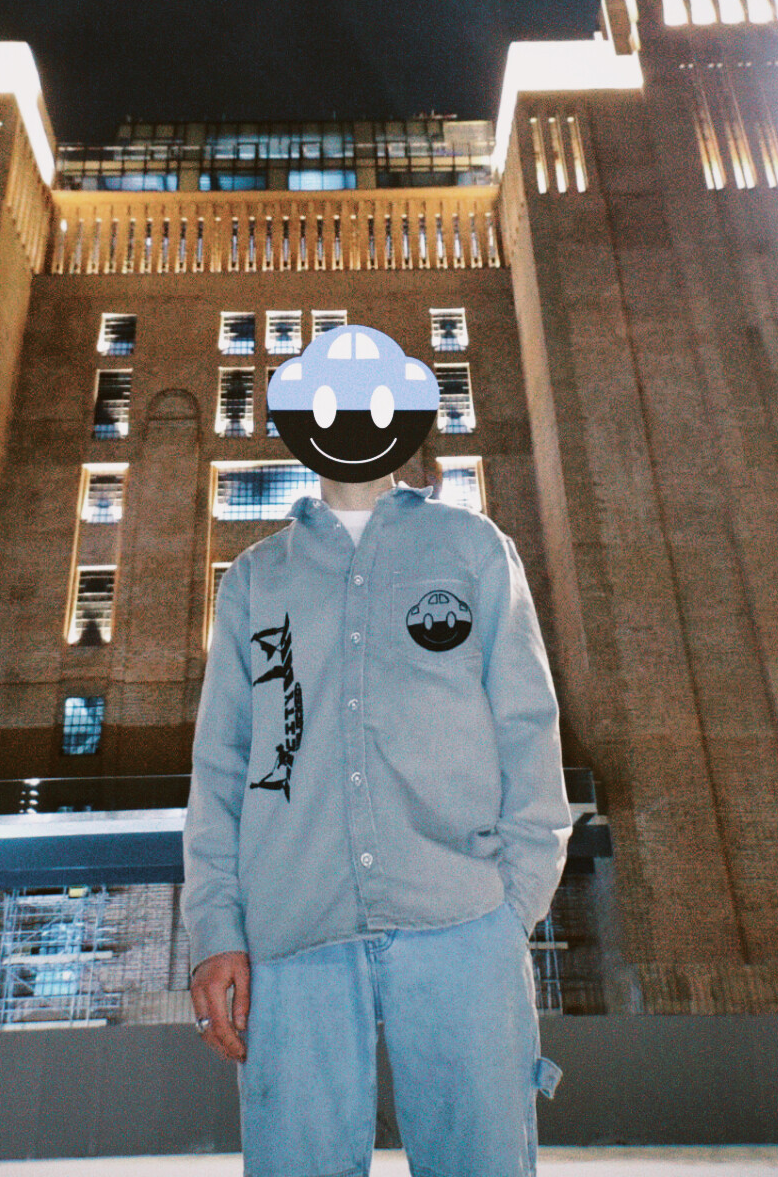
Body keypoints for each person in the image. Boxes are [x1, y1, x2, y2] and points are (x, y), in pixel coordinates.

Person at [182, 325, 571, 1177]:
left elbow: (527, 725)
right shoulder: (255, 580)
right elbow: (220, 769)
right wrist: (216, 927)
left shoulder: (474, 549)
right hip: (292, 932)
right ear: (297, 417)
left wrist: (515, 902)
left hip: (464, 919)